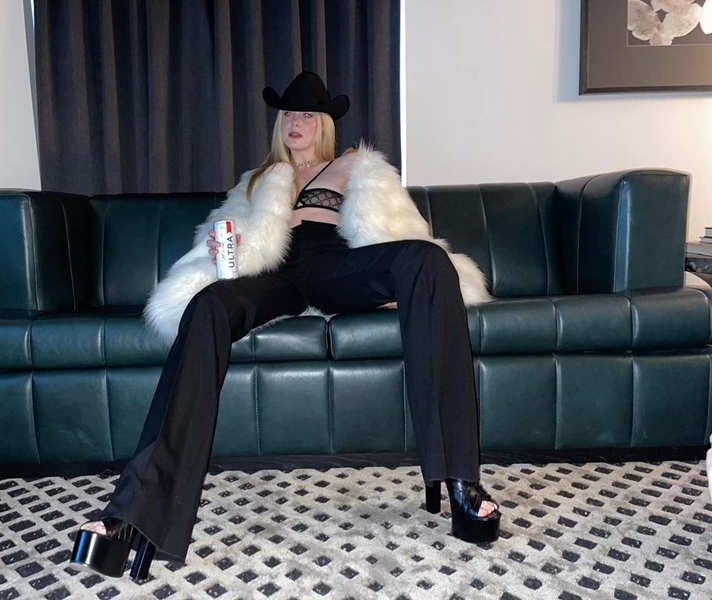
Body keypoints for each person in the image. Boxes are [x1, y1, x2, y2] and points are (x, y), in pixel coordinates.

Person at [69, 71, 501, 580]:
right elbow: (227, 239)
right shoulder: (257, 180)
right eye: (289, 113)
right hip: (273, 272)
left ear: (324, 124)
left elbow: (397, 230)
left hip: (333, 265)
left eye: (307, 115)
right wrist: (223, 245)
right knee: (207, 305)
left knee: (428, 261)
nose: (296, 122)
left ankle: (459, 478)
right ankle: (132, 514)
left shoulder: (354, 166)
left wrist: (400, 284)